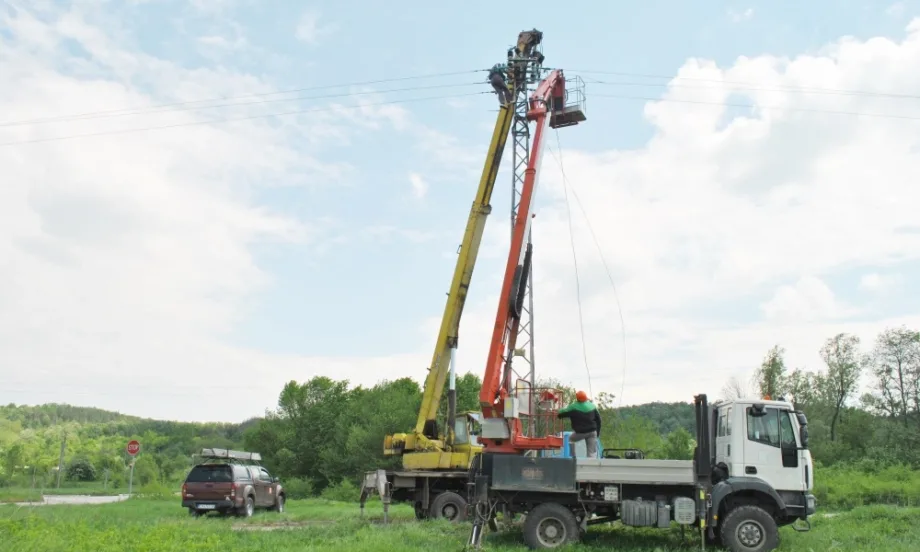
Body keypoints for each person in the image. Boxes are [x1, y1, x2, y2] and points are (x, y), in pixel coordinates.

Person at [557, 390, 601, 458]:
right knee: (591, 453)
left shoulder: (573, 406)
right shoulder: (592, 406)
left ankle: (572, 457)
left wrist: (558, 411)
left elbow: (561, 413)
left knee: (569, 439)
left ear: (577, 398)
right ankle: (591, 467)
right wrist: (597, 433)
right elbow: (599, 420)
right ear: (586, 398)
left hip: (580, 433)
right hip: (592, 432)